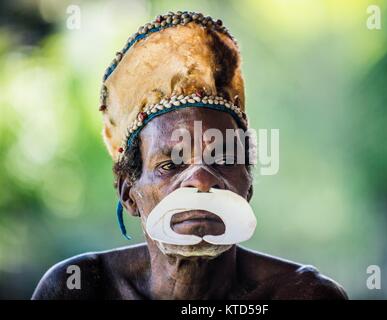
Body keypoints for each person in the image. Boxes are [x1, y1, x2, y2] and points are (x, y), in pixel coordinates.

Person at [32, 11, 347, 300]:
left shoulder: (302, 295)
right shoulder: (80, 288)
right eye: (170, 165)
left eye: (222, 160)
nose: (200, 179)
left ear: (247, 186)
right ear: (129, 194)